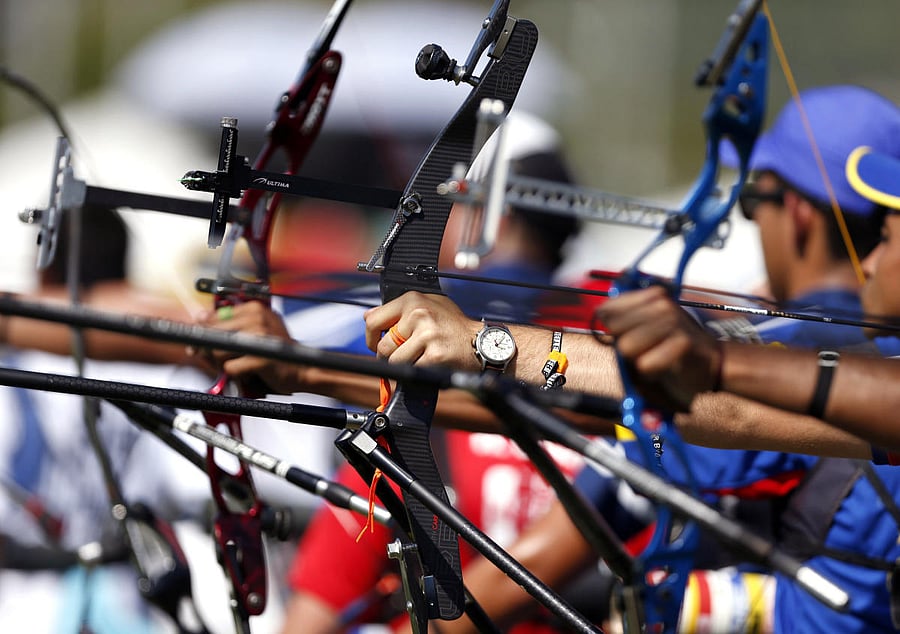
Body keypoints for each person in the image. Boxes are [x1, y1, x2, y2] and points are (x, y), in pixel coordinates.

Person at [355, 86, 900, 633]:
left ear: (799, 214)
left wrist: (480, 344)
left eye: (889, 232)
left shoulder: (810, 358)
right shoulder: (835, 361)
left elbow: (692, 409)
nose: (872, 257)